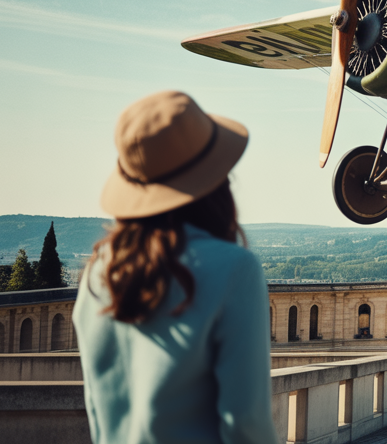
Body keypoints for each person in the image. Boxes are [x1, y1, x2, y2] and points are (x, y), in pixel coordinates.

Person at [73, 90, 276, 444]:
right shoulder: (235, 270)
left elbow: (97, 408)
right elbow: (246, 422)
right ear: (217, 180)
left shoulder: (99, 272)